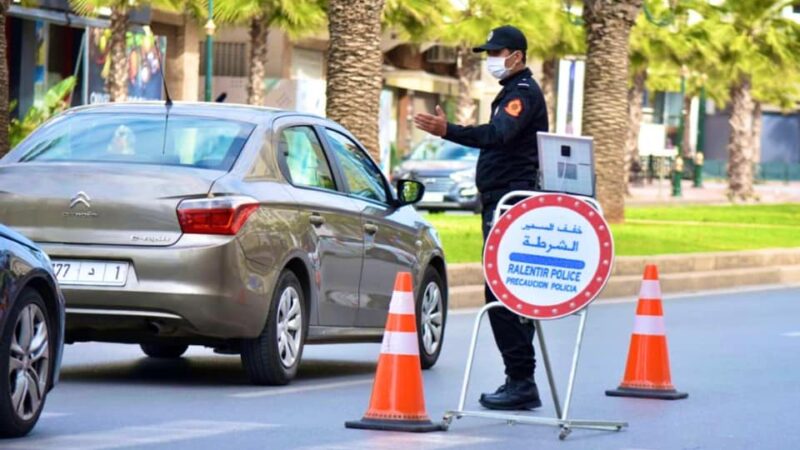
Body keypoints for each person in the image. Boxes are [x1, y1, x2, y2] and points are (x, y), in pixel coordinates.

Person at [414, 25, 548, 410]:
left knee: (503, 292)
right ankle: (520, 379)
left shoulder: (522, 94)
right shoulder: (511, 92)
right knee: (506, 292)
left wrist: (448, 130)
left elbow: (497, 135)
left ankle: (521, 380)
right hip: (500, 204)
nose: (491, 59)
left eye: (497, 52)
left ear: (517, 56)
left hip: (510, 205)